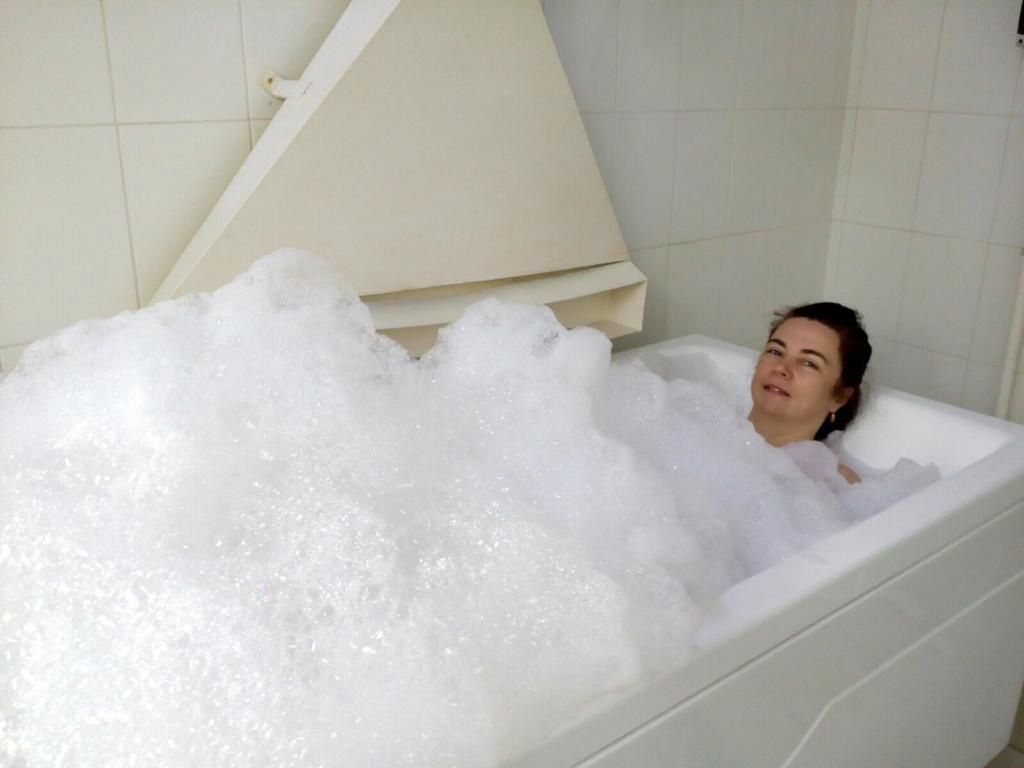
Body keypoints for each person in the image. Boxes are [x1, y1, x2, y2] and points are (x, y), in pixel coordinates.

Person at [748, 302, 872, 484]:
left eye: (809, 363)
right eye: (775, 351)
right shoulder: (706, 430)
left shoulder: (834, 483)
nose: (781, 368)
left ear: (840, 397)